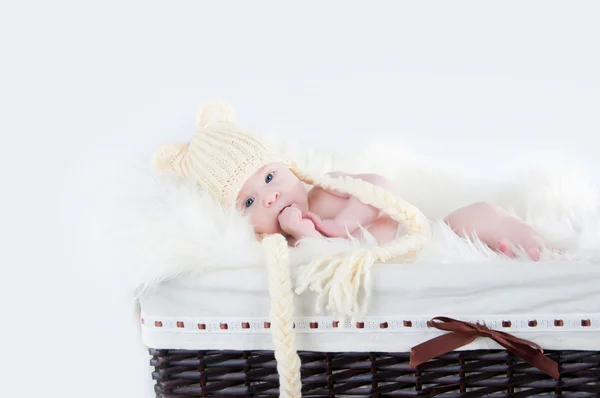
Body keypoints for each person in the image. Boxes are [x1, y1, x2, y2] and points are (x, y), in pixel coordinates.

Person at [154, 101, 547, 261]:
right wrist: (307, 236)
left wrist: (342, 224)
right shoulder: (283, 251)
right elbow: (329, 266)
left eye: (270, 176)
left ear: (289, 167)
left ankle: (538, 251)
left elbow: (379, 187)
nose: (270, 196)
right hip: (404, 282)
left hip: (430, 241)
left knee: (477, 214)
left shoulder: (325, 190)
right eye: (249, 202)